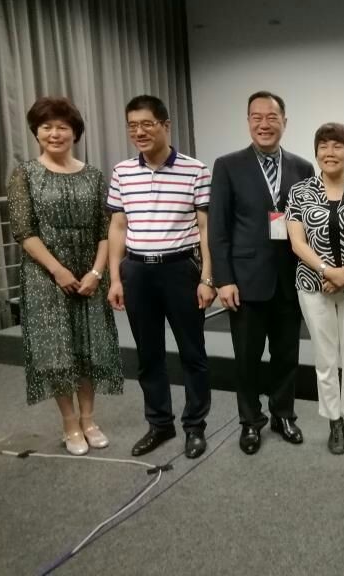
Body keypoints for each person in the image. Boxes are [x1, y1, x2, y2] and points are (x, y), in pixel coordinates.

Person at [8, 96, 123, 455]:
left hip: (90, 275)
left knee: (89, 348)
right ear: (36, 132)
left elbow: (106, 230)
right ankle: (70, 423)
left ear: (75, 132)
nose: (55, 134)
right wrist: (58, 271)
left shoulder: (94, 175)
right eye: (47, 127)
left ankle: (89, 419)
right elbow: (23, 231)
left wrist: (97, 272)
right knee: (57, 352)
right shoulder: (25, 174)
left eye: (62, 127)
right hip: (45, 277)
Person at [107, 95, 215, 459]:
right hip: (137, 271)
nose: (139, 132)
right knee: (148, 354)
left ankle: (195, 426)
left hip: (180, 269)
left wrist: (207, 278)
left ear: (165, 125)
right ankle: (159, 424)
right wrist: (116, 278)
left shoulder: (196, 170)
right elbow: (118, 226)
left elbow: (205, 228)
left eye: (146, 124)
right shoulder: (122, 171)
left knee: (193, 353)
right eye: (132, 126)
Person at [209, 91, 315, 455]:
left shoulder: (303, 167)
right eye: (257, 117)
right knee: (247, 358)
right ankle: (250, 421)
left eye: (272, 117)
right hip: (245, 280)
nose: (264, 124)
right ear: (248, 122)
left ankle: (283, 414)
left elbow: (309, 224)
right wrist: (224, 279)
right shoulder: (228, 165)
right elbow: (218, 229)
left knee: (287, 355)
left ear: (285, 121)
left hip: (289, 280)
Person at [286, 123, 344, 454]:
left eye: (337, 146)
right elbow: (297, 242)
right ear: (316, 152)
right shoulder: (300, 192)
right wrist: (327, 270)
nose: (330, 152)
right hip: (313, 284)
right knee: (325, 358)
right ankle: (333, 421)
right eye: (323, 146)